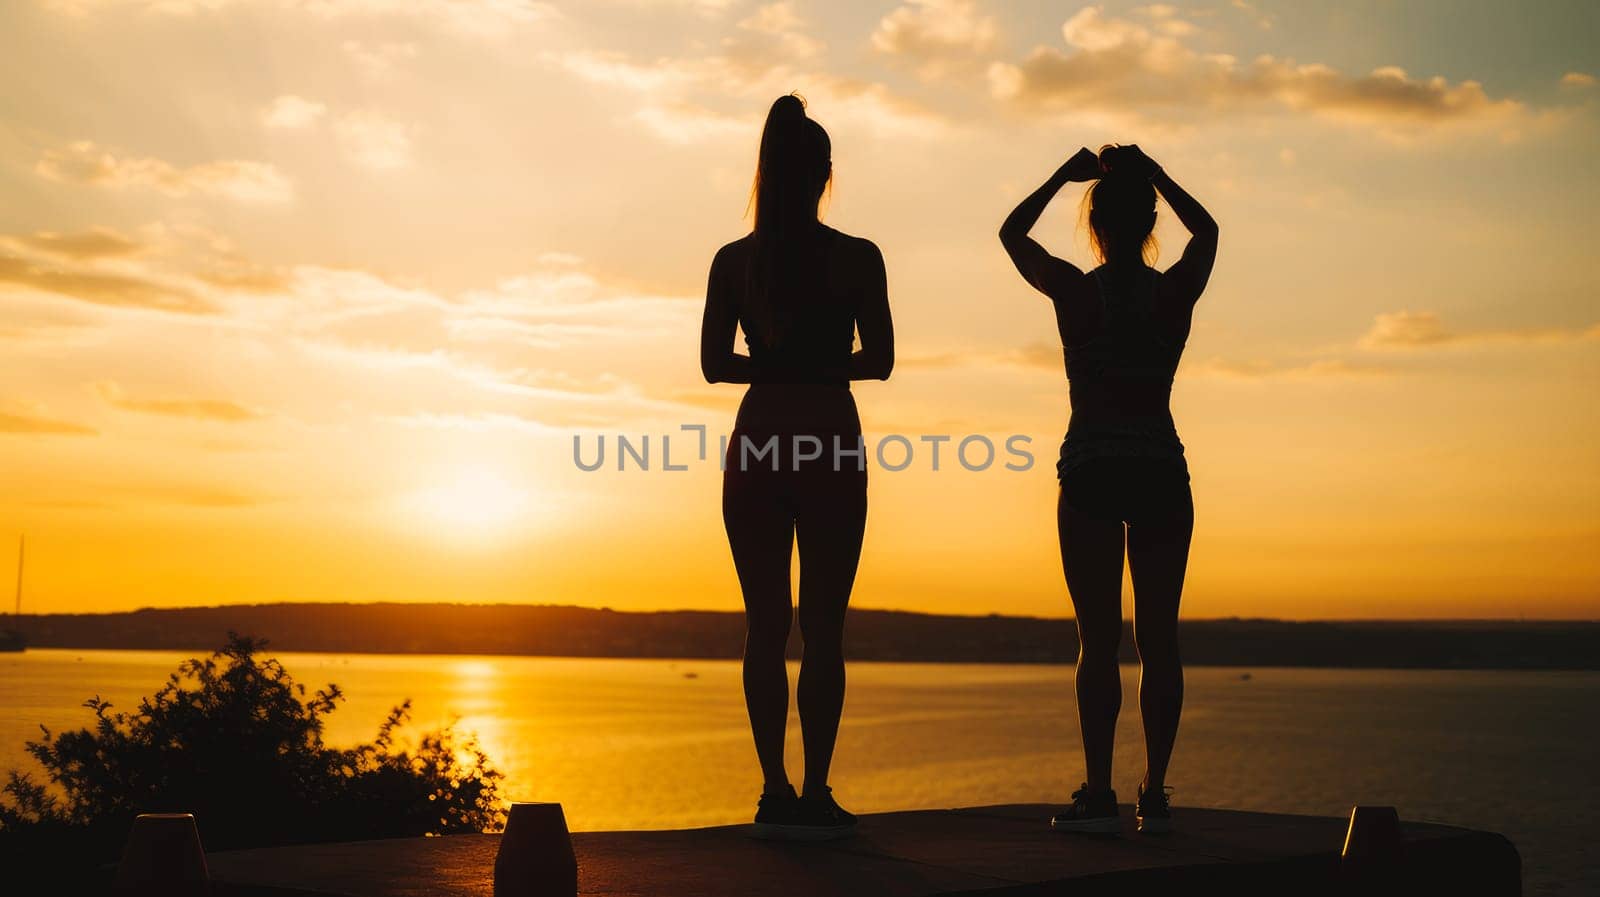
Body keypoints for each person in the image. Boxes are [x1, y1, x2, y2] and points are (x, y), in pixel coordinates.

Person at [998, 144, 1217, 835]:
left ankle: (1099, 788)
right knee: (1159, 637)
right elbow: (1208, 233)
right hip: (1158, 464)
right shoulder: (1171, 292)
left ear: (1094, 226)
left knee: (1097, 639)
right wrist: (1158, 175)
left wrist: (1062, 175)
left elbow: (1012, 234)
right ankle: (1153, 789)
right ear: (1151, 221)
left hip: (1091, 466)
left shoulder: (1075, 291)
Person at [700, 93, 894, 840]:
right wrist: (819, 363)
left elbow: (717, 364)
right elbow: (877, 360)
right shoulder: (856, 257)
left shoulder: (734, 262)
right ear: (825, 174)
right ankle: (813, 788)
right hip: (829, 439)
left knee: (765, 625)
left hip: (759, 443)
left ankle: (774, 786)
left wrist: (774, 365)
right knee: (823, 627)